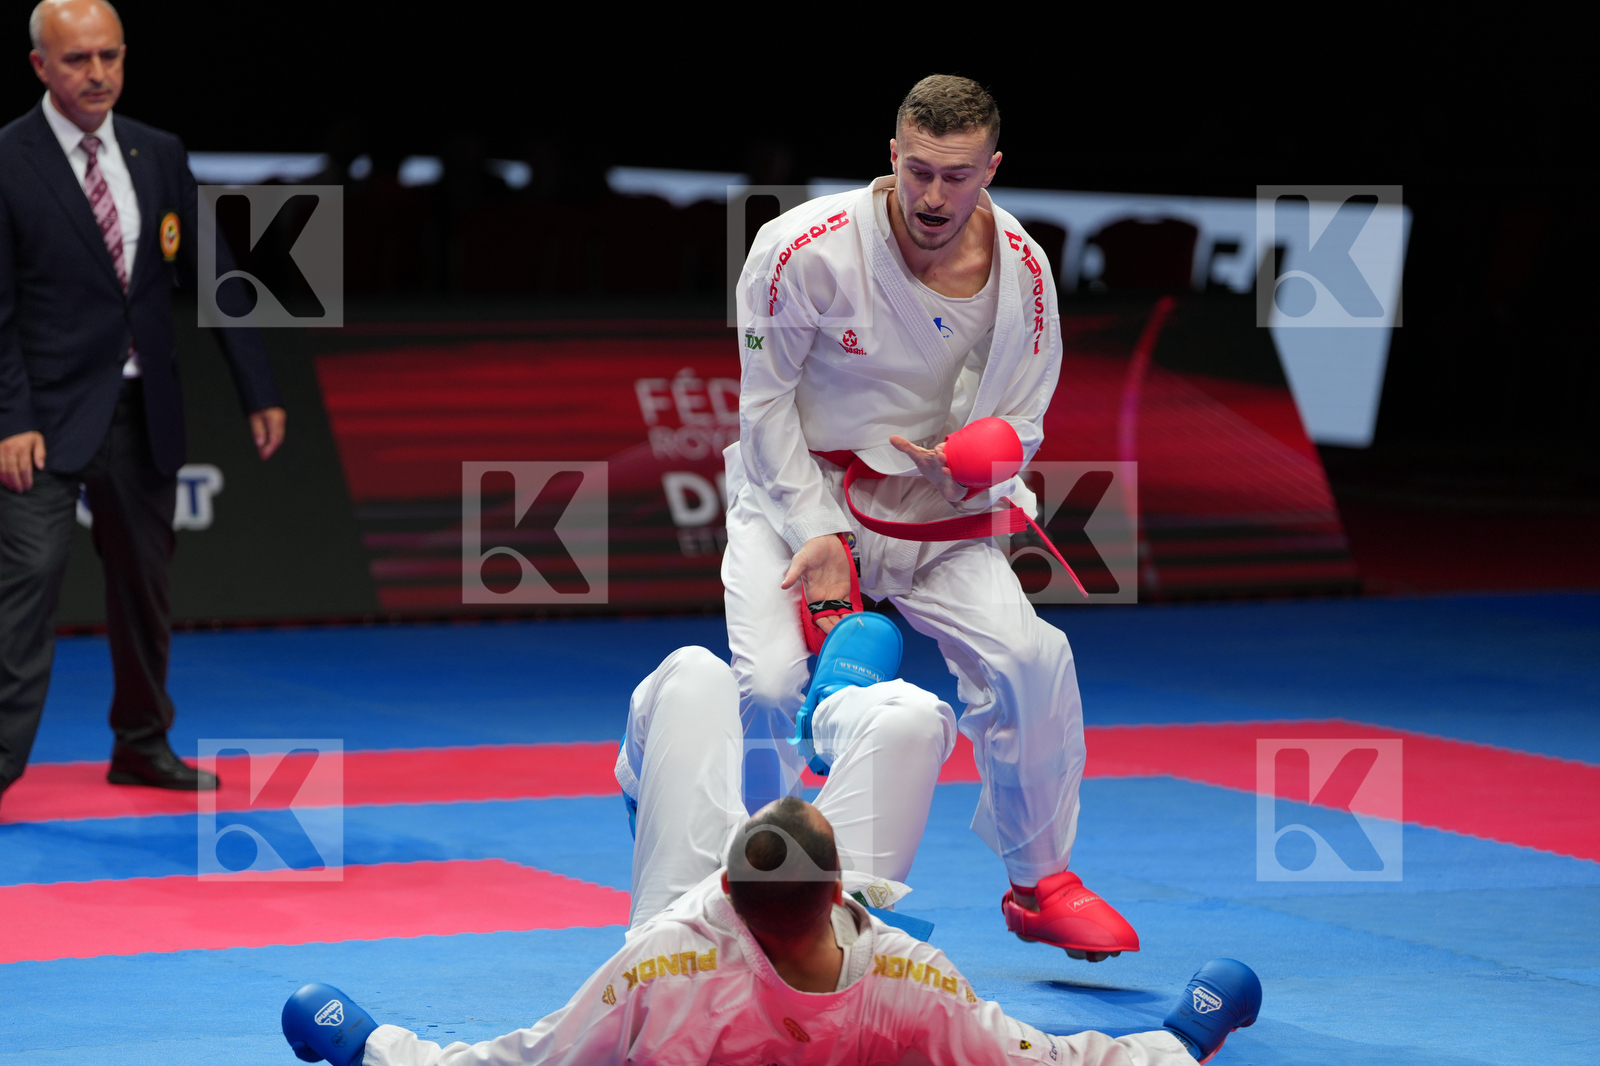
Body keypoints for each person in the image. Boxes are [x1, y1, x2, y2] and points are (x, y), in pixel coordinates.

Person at [279, 635, 1263, 1065]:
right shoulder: (905, 973)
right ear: (852, 889)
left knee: (695, 675)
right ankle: (834, 700)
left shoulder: (658, 969)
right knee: (915, 717)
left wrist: (365, 1042)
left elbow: (513, 1060)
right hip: (789, 920)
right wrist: (1186, 1033)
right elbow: (1049, 1059)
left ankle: (648, 786)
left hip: (693, 910)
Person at [725, 73, 1134, 962]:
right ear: (892, 158)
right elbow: (763, 411)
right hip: (799, 488)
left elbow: (1025, 414)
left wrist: (981, 457)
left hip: (932, 504)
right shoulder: (802, 249)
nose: (933, 196)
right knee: (767, 691)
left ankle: (1041, 882)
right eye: (918, 172)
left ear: (991, 168)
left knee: (1032, 656)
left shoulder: (1022, 270)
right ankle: (747, 883)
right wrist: (817, 535)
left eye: (956, 176)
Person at [0, 0, 285, 804]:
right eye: (78, 60)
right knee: (25, 591)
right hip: (44, 422)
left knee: (144, 589)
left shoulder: (155, 151)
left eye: (110, 57)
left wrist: (256, 387)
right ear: (40, 67)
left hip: (141, 411)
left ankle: (141, 743)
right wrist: (9, 418)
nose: (97, 75)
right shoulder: (8, 159)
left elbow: (217, 273)